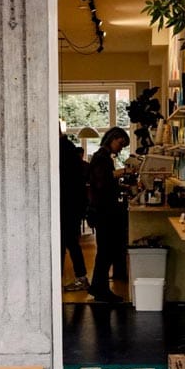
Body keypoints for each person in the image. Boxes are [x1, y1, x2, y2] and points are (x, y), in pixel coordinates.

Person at [86, 126, 130, 303]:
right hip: (103, 211)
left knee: (105, 251)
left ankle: (99, 287)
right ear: (112, 139)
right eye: (120, 143)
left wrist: (121, 185)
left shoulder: (103, 157)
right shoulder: (101, 158)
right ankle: (100, 289)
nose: (120, 148)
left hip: (102, 210)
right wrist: (123, 172)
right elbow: (101, 181)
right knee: (106, 251)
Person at [59, 133, 89, 292]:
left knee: (65, 243)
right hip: (72, 206)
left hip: (66, 206)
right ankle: (80, 277)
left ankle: (62, 278)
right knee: (70, 243)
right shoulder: (69, 149)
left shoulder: (62, 150)